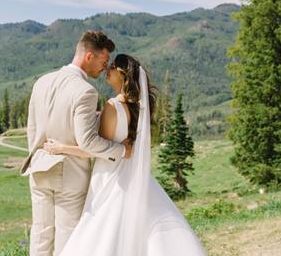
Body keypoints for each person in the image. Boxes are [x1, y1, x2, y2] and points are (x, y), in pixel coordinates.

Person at [44, 54, 207, 256]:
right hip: (132, 176)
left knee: (102, 233)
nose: (107, 69)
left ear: (122, 75)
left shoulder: (113, 106)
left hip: (110, 177)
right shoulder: (137, 107)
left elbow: (95, 149)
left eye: (111, 67)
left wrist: (61, 148)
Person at [20, 31, 133, 256]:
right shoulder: (85, 91)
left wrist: (36, 154)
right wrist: (121, 150)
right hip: (69, 174)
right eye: (103, 61)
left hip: (38, 167)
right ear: (89, 56)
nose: (104, 67)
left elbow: (32, 128)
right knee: (68, 238)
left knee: (40, 234)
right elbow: (88, 141)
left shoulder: (42, 82)